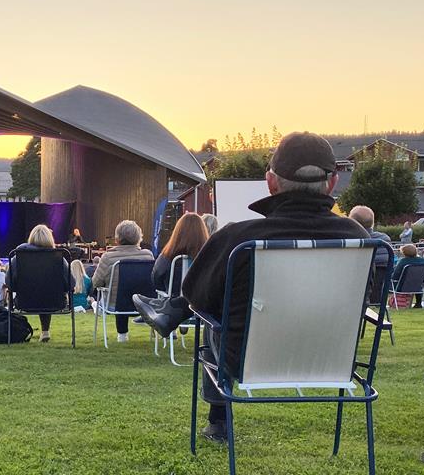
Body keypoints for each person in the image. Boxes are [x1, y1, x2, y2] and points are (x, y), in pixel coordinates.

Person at [134, 131, 369, 443]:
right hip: (333, 358)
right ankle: (170, 313)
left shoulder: (240, 238)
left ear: (271, 182)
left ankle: (219, 422)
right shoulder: (359, 239)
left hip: (247, 358)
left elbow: (199, 296)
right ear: (332, 183)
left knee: (212, 316)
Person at [92, 220, 154, 342]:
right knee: (126, 290)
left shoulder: (108, 257)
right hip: (144, 304)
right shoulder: (148, 255)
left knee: (120, 293)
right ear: (139, 237)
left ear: (117, 239)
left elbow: (96, 282)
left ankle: (122, 336)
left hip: (116, 305)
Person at [6, 224, 69, 342]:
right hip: (55, 301)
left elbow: (9, 282)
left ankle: (18, 330)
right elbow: (72, 282)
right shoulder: (59, 258)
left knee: (39, 293)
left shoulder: (18, 258)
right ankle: (45, 331)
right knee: (46, 293)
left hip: (24, 301)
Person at [153, 213, 208, 293]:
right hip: (200, 304)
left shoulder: (167, 256)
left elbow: (156, 278)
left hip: (173, 302)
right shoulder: (209, 257)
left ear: (177, 232)